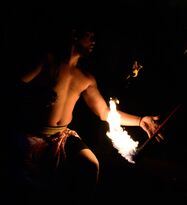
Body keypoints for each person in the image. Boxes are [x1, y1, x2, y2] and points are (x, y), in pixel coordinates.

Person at [6, 27, 163, 205]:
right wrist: (34, 95)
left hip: (61, 136)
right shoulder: (47, 61)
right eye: (90, 36)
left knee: (90, 165)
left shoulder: (86, 78)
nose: (94, 41)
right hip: (31, 134)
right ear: (74, 35)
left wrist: (141, 121)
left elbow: (105, 113)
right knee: (26, 185)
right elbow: (11, 86)